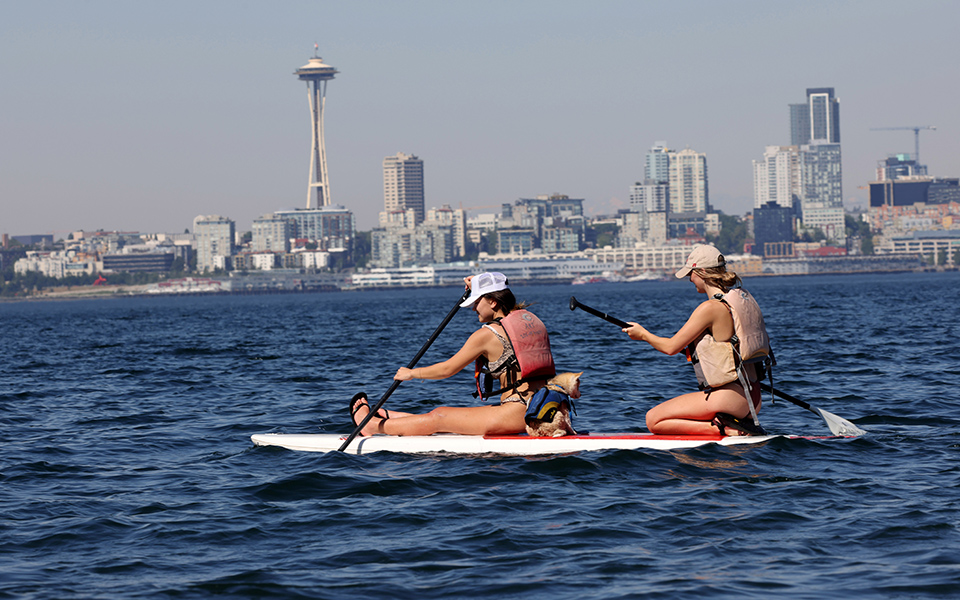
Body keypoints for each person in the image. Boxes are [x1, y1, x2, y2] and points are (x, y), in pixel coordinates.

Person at [349, 272, 557, 437]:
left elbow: (448, 369)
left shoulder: (486, 335)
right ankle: (389, 416)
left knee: (440, 416)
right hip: (547, 408)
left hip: (518, 412)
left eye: (477, 302)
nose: (474, 308)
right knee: (445, 418)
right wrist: (475, 284)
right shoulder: (530, 321)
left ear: (492, 302)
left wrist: (412, 374)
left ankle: (373, 426)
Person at [622, 244, 772, 435]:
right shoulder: (738, 302)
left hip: (732, 399)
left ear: (701, 272)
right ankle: (730, 424)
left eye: (690, 273)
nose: (689, 279)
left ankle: (724, 429)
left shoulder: (710, 308)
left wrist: (643, 335)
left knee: (654, 419)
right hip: (753, 398)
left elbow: (670, 347)